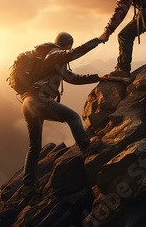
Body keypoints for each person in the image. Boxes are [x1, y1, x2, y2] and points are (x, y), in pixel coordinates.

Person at [19, 32, 107, 197]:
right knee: (72, 116)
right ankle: (86, 148)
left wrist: (99, 77)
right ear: (67, 45)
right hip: (40, 99)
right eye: (70, 46)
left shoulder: (48, 58)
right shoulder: (55, 54)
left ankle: (28, 186)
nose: (70, 49)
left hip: (28, 103)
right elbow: (74, 54)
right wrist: (98, 40)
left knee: (34, 147)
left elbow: (72, 78)